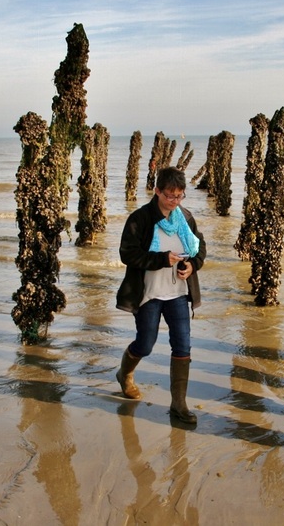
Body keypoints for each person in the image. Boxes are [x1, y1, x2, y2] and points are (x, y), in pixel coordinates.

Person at [115, 166, 206, 424]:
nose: (174, 201)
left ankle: (179, 405)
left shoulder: (185, 219)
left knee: (183, 345)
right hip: (149, 294)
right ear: (157, 191)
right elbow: (127, 253)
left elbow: (200, 248)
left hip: (177, 293)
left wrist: (192, 266)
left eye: (179, 196)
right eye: (169, 196)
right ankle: (125, 374)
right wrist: (161, 259)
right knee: (145, 343)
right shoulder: (140, 219)